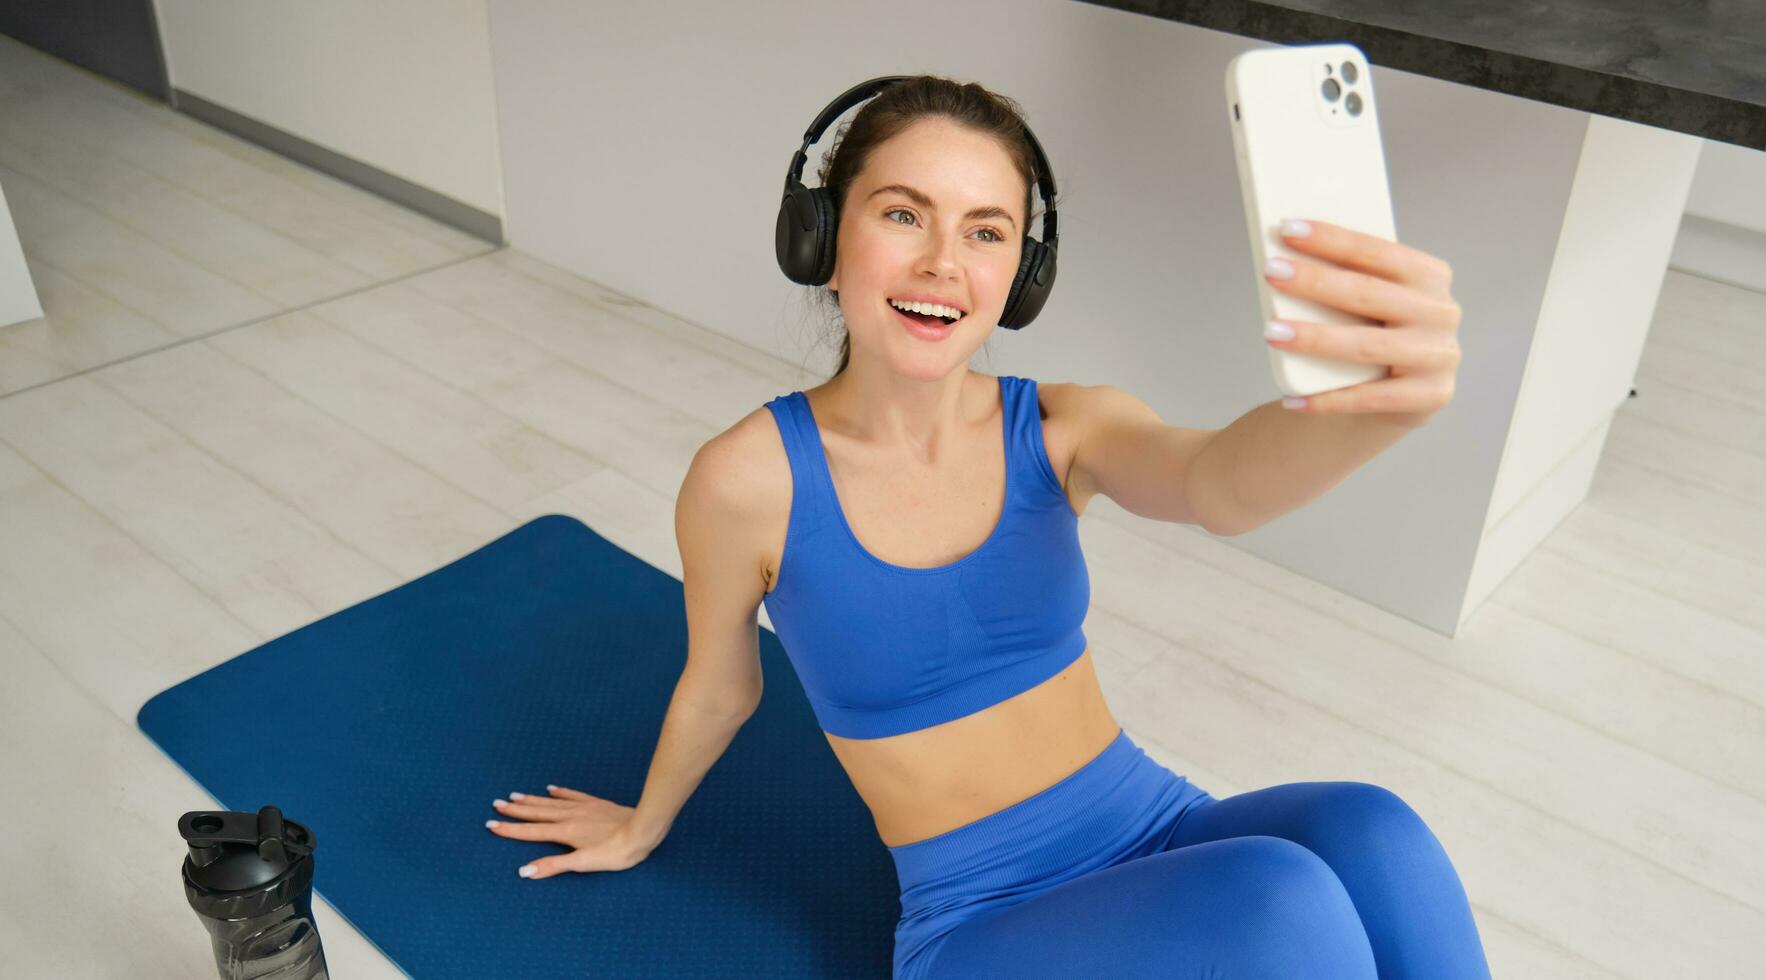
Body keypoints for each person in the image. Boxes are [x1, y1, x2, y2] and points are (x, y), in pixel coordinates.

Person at [482, 75, 1486, 979]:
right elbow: (720, 684)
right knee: (1282, 899)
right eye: (902, 213)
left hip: (1150, 825)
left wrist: (1367, 407)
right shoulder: (746, 480)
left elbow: (1217, 482)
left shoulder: (1060, 427)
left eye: (985, 230)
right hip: (980, 914)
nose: (941, 262)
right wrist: (642, 823)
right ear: (824, 238)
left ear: (1020, 272)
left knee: (1371, 829)